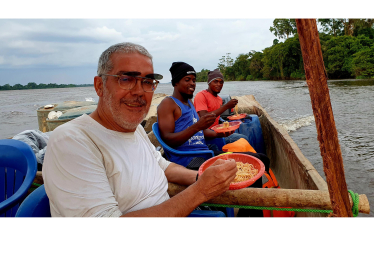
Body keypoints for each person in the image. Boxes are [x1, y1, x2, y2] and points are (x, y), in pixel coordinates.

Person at [42, 42, 237, 217]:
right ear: (100, 86)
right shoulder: (72, 141)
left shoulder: (135, 130)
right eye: (126, 79)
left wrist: (201, 176)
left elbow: (163, 165)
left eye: (147, 82)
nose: (139, 92)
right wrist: (200, 191)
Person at [157, 62, 240, 169]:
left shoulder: (189, 102)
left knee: (257, 158)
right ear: (176, 82)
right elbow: (168, 140)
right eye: (187, 80)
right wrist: (198, 126)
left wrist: (218, 134)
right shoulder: (168, 104)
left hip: (204, 152)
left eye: (194, 80)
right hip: (189, 158)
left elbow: (199, 131)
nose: (192, 83)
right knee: (241, 165)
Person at [194, 68, 248, 144]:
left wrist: (231, 108)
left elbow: (219, 117)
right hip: (205, 134)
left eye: (221, 82)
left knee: (244, 135)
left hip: (218, 129)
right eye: (215, 82)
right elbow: (204, 117)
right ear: (209, 83)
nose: (219, 84)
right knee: (243, 139)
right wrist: (226, 106)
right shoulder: (201, 95)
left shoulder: (219, 99)